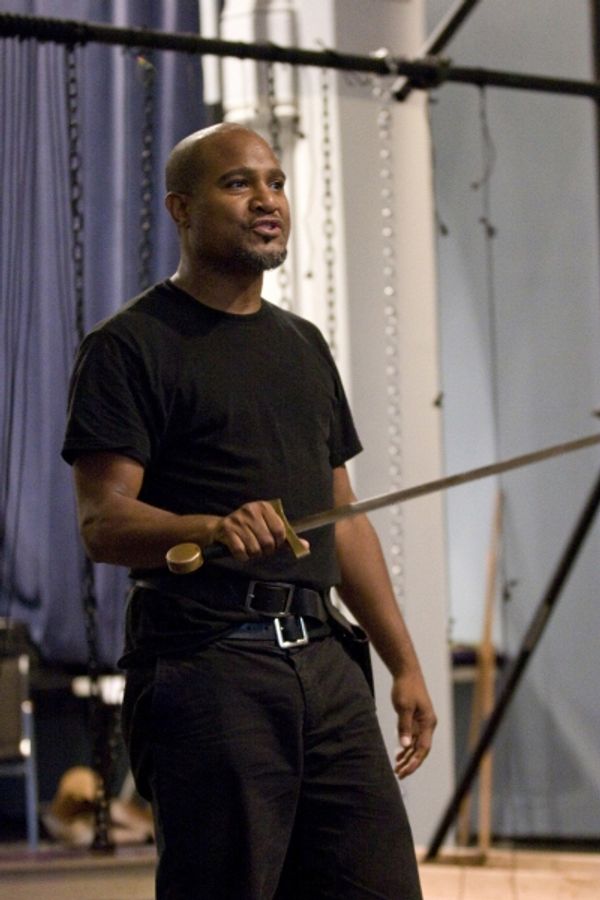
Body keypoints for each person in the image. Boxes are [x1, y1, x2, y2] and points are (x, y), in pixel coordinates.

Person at [62, 122, 436, 899]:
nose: (267, 200)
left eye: (276, 183)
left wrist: (403, 662)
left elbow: (343, 516)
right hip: (211, 662)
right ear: (181, 208)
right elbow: (103, 523)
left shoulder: (304, 345)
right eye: (239, 184)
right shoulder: (129, 346)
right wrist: (210, 528)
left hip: (325, 664)